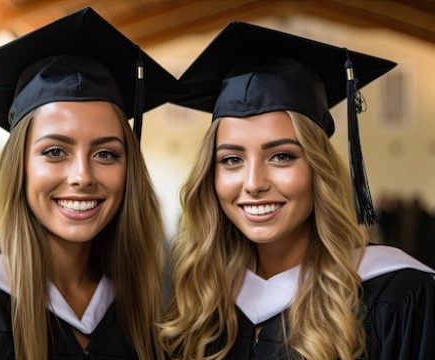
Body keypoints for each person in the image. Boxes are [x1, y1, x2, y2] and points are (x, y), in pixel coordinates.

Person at [0, 8, 183, 359]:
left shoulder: (140, 302)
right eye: (55, 151)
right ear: (19, 166)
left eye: (106, 154)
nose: (82, 176)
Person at [159, 22, 435, 359]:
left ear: (319, 169)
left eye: (282, 156)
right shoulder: (199, 303)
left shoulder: (395, 297)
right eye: (231, 159)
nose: (254, 183)